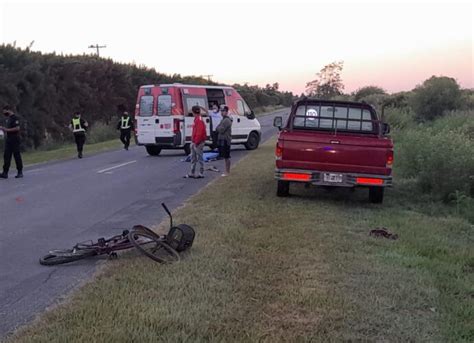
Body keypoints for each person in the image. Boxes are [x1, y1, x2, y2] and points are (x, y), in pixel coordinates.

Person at [0, 105, 23, 179]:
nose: (4, 113)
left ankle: (20, 172)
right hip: (9, 139)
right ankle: (5, 173)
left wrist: (6, 130)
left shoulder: (15, 118)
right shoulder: (8, 119)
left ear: (9, 110)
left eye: (5, 111)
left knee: (17, 155)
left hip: (15, 139)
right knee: (6, 156)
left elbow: (17, 128)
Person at [185, 105, 207, 179]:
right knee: (193, 158)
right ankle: (192, 172)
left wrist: (196, 142)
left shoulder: (199, 120)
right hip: (196, 142)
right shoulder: (197, 119)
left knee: (199, 157)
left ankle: (201, 172)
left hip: (198, 142)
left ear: (194, 112)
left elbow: (199, 133)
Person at [216, 106, 232, 176]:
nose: (222, 112)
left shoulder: (227, 120)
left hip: (226, 140)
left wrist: (218, 128)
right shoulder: (223, 119)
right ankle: (226, 171)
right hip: (222, 139)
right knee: (225, 156)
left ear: (226, 112)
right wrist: (218, 128)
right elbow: (217, 128)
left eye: (223, 111)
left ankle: (227, 172)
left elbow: (221, 130)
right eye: (221, 111)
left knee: (227, 156)